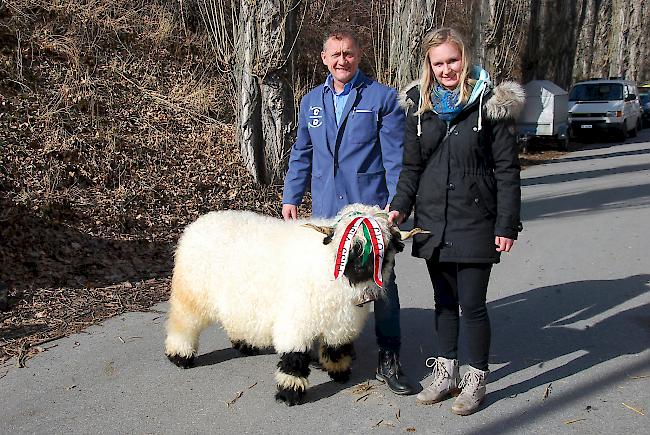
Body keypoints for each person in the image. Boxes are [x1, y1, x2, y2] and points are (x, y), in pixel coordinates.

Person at [388, 27, 524, 415]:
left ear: (465, 58)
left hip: (476, 219)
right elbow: (411, 167)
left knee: (472, 305)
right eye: (439, 62)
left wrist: (506, 224)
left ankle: (475, 378)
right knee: (443, 302)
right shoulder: (418, 105)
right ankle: (446, 372)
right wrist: (399, 206)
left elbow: (507, 170)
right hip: (433, 218)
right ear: (429, 66)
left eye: (453, 60)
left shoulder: (490, 103)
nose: (447, 68)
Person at [282, 30, 416, 396]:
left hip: (370, 212)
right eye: (336, 54)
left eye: (349, 54)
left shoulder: (382, 98)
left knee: (382, 284)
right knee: (328, 282)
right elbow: (301, 154)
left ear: (359, 56)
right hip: (326, 212)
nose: (343, 60)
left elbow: (393, 157)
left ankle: (389, 356)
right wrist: (291, 196)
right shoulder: (311, 101)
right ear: (324, 57)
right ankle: (333, 346)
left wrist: (396, 205)